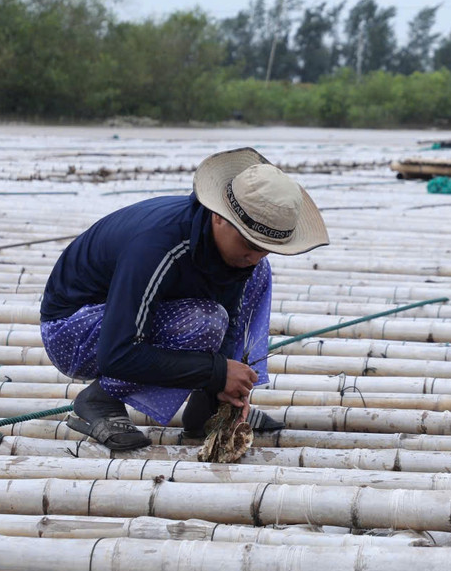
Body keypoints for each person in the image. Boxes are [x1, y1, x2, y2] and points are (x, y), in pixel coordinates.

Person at [39, 147, 329, 450]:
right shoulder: (159, 245)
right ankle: (101, 399)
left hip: (128, 324)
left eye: (265, 247)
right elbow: (117, 352)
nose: (255, 255)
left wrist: (223, 386)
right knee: (205, 321)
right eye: (248, 243)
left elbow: (232, 316)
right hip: (74, 330)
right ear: (219, 217)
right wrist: (216, 371)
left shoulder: (238, 255)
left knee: (258, 274)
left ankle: (208, 409)